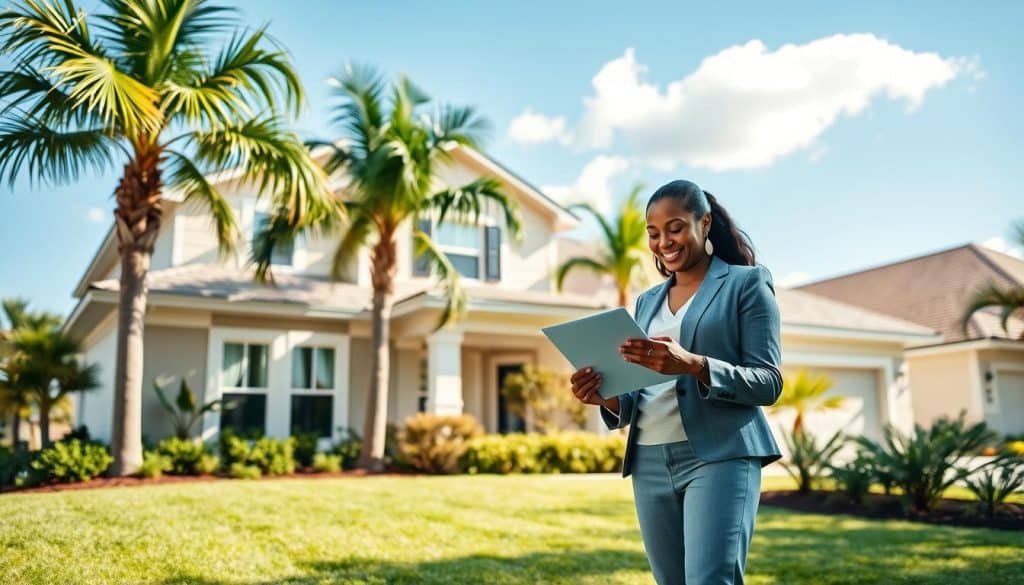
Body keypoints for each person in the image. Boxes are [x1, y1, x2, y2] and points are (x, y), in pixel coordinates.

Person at [569, 179, 783, 585]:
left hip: (719, 456)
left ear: (704, 223)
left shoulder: (746, 284)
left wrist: (695, 364)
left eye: (675, 227)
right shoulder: (647, 301)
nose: (664, 241)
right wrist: (606, 396)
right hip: (649, 460)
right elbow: (638, 392)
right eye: (653, 233)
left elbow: (768, 382)